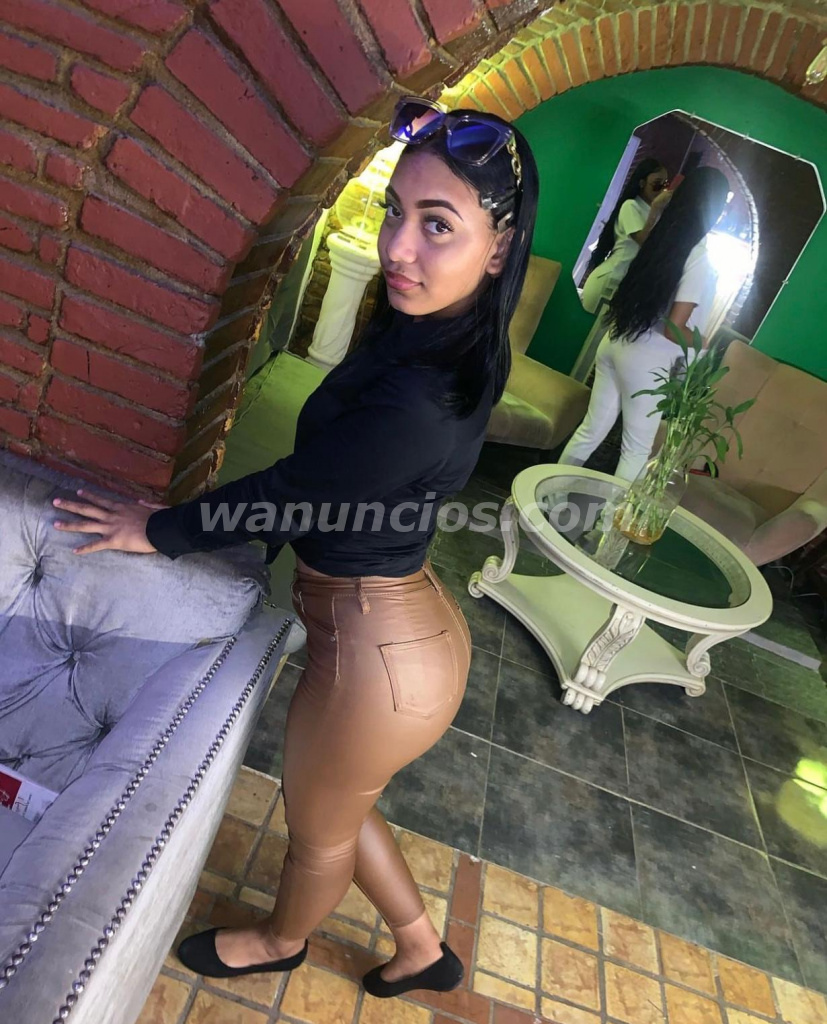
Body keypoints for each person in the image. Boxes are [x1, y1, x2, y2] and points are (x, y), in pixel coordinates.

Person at [50, 95, 539, 999]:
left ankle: (280, 941)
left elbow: (286, 493)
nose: (398, 248)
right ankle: (421, 947)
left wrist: (154, 530)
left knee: (317, 831)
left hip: (375, 660)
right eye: (396, 212)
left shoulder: (422, 396)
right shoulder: (445, 339)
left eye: (438, 225)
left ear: (499, 248)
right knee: (341, 806)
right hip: (399, 632)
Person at [559, 165, 729, 482]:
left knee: (590, 431)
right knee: (636, 450)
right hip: (648, 361)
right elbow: (674, 326)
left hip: (616, 341)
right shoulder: (699, 256)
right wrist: (704, 342)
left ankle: (548, 497)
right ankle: (612, 516)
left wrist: (660, 206)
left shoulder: (659, 240)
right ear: (715, 209)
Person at [580, 157, 671, 314]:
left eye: (665, 184)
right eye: (657, 183)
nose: (661, 189)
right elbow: (644, 242)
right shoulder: (631, 206)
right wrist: (656, 209)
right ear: (642, 183)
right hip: (610, 280)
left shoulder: (652, 211)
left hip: (623, 284)